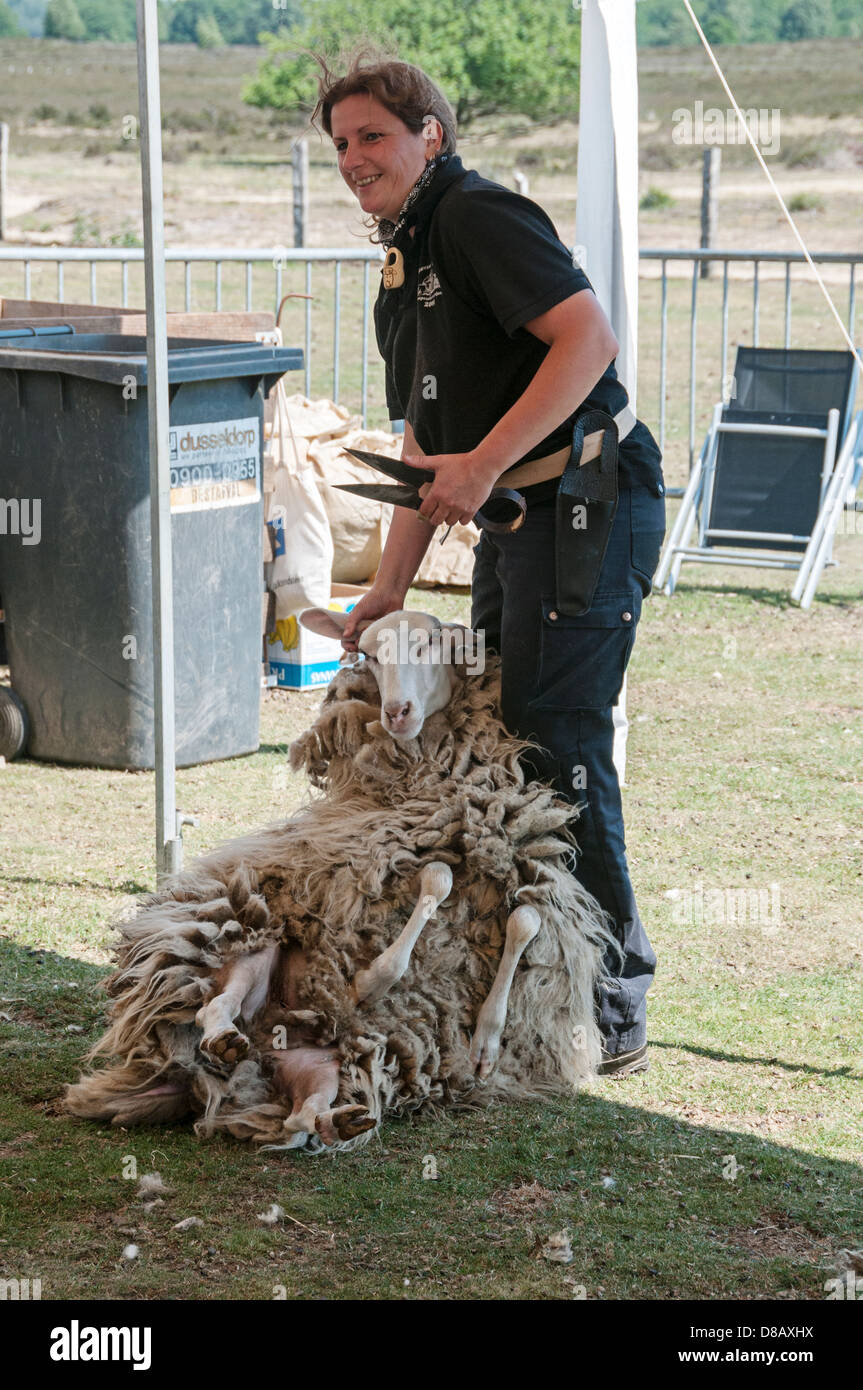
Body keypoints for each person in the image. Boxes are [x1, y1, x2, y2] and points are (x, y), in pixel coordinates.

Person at [312, 52, 666, 1076]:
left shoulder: (475, 214)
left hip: (590, 502)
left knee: (559, 737)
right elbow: (426, 456)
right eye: (339, 144)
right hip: (518, 516)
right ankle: (534, 970)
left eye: (373, 135)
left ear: (430, 134)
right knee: (504, 736)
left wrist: (484, 460)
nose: (353, 158)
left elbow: (585, 340)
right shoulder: (399, 258)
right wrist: (386, 585)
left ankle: (612, 995)